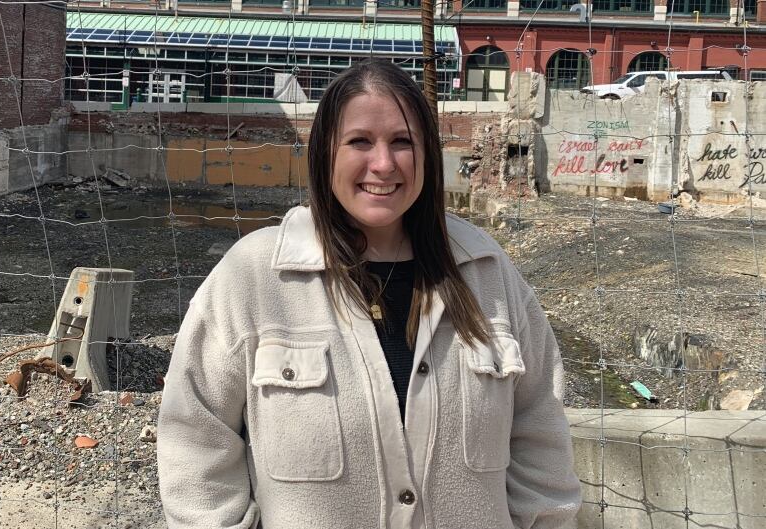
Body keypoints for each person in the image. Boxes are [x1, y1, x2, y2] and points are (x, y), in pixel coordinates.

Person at [157, 59, 581, 529]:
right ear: (325, 154)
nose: (383, 164)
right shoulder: (253, 278)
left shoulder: (488, 274)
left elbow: (541, 432)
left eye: (402, 141)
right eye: (360, 141)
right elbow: (195, 436)